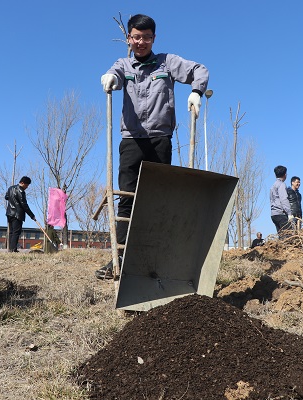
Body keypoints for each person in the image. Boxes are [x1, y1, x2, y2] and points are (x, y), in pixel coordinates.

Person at [97, 14, 209, 280]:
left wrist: (196, 91)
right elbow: (115, 74)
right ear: (129, 38)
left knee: (157, 199)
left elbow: (199, 70)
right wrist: (110, 77)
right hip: (131, 140)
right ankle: (120, 257)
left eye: (146, 37)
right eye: (136, 37)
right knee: (126, 197)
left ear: (153, 38)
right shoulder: (123, 64)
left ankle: (156, 257)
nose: (141, 42)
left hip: (160, 140)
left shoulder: (167, 62)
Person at [5, 176, 36, 252]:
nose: (26, 187)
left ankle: (11, 249)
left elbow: (6, 197)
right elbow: (24, 205)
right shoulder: (21, 191)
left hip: (9, 213)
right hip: (17, 214)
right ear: (22, 183)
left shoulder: (10, 188)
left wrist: (12, 199)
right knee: (16, 232)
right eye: (26, 185)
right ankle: (13, 249)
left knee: (11, 232)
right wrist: (32, 215)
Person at [270, 165, 293, 237]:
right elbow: (284, 199)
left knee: (281, 237)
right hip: (281, 214)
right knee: (288, 236)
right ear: (285, 174)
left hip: (274, 214)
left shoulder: (273, 186)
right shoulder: (281, 185)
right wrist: (289, 213)